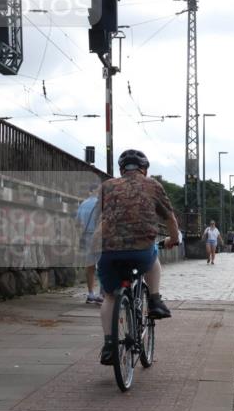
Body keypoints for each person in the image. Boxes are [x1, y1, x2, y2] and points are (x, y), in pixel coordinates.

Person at [95, 149, 179, 365]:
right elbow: (170, 217)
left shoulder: (107, 186)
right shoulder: (153, 185)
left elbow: (104, 219)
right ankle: (155, 301)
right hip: (141, 251)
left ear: (121, 169)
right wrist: (172, 238)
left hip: (109, 252)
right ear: (145, 169)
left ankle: (109, 345)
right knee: (153, 255)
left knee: (110, 297)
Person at [76, 185, 103, 304]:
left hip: (87, 236)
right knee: (103, 265)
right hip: (100, 236)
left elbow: (77, 223)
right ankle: (102, 294)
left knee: (90, 266)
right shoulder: (102, 203)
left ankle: (91, 293)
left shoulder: (83, 204)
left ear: (89, 192)